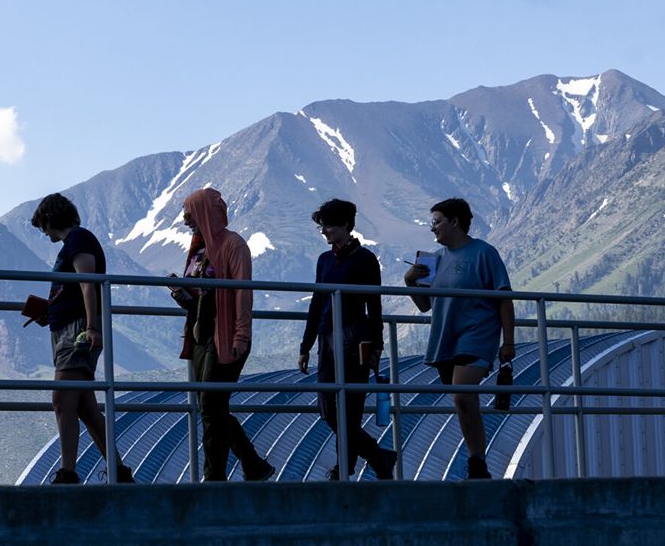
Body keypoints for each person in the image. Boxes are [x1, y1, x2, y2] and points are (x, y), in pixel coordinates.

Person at [403, 197, 514, 480]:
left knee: (463, 395)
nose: (433, 229)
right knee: (461, 399)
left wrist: (508, 341)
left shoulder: (484, 253)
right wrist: (410, 282)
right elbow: (424, 305)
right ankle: (476, 459)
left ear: (455, 222)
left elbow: (504, 298)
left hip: (477, 335)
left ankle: (477, 462)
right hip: (445, 338)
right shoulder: (434, 260)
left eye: (437, 222)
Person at [26, 193, 134, 484]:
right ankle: (118, 471)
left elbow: (89, 283)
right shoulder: (73, 243)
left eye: (43, 226)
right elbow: (76, 288)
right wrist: (50, 311)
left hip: (77, 332)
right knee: (85, 407)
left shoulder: (79, 240)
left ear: (51, 219)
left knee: (62, 399)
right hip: (68, 328)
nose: (43, 232)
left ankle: (68, 472)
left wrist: (91, 327)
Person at [170, 187, 274, 481]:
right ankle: (250, 465)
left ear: (203, 213)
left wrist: (241, 335)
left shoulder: (233, 245)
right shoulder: (200, 249)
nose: (187, 221)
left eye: (190, 215)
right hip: (202, 336)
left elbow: (242, 292)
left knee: (210, 406)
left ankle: (219, 474)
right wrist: (182, 294)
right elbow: (199, 295)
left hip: (225, 336)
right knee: (211, 408)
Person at [298, 198, 397, 481]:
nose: (324, 231)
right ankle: (378, 456)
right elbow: (317, 303)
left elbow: (374, 304)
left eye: (328, 225)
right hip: (327, 338)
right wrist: (306, 345)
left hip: (354, 338)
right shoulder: (324, 260)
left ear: (345, 225)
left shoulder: (365, 260)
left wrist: (376, 344)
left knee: (349, 408)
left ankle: (346, 468)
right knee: (328, 407)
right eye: (322, 226)